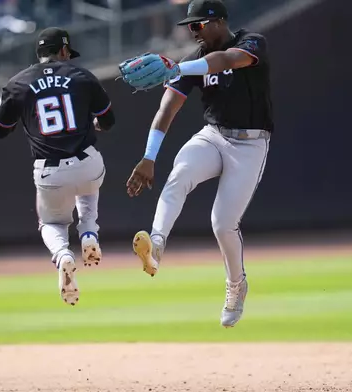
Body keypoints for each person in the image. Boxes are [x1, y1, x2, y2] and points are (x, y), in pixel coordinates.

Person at [118, 0, 273, 328]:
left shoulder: (251, 41)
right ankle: (156, 246)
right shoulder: (191, 61)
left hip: (250, 144)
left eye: (198, 25)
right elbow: (167, 109)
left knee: (222, 223)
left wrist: (178, 68)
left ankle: (236, 286)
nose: (193, 32)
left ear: (218, 22)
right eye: (190, 27)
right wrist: (148, 157)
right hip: (214, 136)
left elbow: (227, 60)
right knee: (180, 174)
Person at [0, 27, 115, 306]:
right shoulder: (83, 76)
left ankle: (63, 255)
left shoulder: (17, 84)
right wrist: (94, 123)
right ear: (63, 51)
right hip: (89, 163)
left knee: (51, 222)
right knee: (88, 184)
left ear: (39, 54)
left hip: (50, 172)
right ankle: (88, 232)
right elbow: (108, 121)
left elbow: (1, 129)